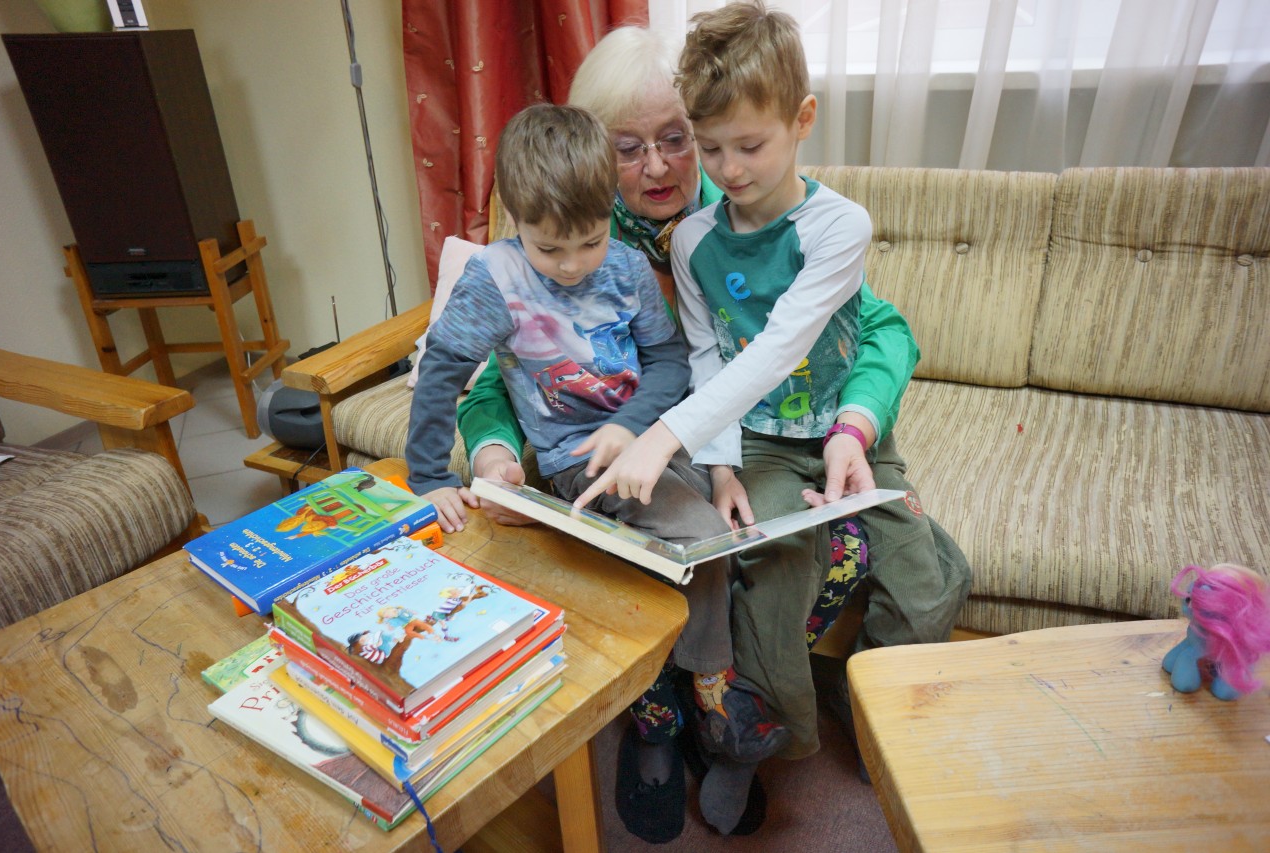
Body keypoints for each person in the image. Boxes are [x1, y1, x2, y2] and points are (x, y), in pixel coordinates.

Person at [574, 0, 973, 826]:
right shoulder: (586, 242)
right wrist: (713, 458)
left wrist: (853, 427)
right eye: (627, 146)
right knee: (744, 566)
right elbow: (506, 350)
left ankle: (834, 703)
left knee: (925, 573)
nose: (687, 166)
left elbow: (844, 333)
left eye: (681, 141)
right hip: (703, 451)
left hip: (787, 437)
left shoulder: (818, 226)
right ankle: (712, 735)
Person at [404, 101, 789, 840]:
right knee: (690, 535)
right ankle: (702, 696)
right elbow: (442, 375)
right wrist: (428, 477)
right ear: (517, 220)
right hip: (571, 466)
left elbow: (673, 360)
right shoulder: (493, 279)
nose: (576, 264)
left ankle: (707, 697)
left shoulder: (626, 267)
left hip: (646, 439)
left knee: (714, 537)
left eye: (589, 239)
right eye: (553, 251)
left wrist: (629, 425)